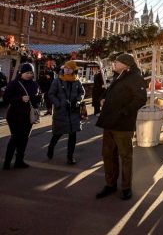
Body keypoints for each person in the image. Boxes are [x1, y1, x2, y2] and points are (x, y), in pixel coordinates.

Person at [95, 53, 147, 201]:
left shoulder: (135, 77)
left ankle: (126, 187)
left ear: (125, 64)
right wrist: (102, 99)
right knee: (108, 155)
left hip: (123, 124)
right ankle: (110, 184)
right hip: (109, 123)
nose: (114, 64)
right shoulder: (119, 76)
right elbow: (109, 91)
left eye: (116, 62)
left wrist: (123, 112)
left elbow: (141, 99)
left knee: (125, 157)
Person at [2, 63, 41, 170]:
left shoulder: (34, 84)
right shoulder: (14, 83)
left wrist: (37, 98)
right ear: (21, 73)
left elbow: (37, 99)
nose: (29, 75)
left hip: (28, 117)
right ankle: (7, 162)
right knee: (15, 138)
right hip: (14, 116)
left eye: (31, 73)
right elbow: (6, 98)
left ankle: (19, 161)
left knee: (24, 139)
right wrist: (20, 98)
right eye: (27, 73)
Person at [47, 61, 85, 165]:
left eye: (70, 68)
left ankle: (70, 157)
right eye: (66, 68)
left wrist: (78, 101)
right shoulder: (57, 81)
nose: (67, 70)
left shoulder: (77, 81)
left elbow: (82, 92)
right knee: (58, 134)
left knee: (73, 135)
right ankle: (51, 147)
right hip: (61, 112)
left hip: (73, 111)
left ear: (73, 70)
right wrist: (58, 104)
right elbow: (51, 94)